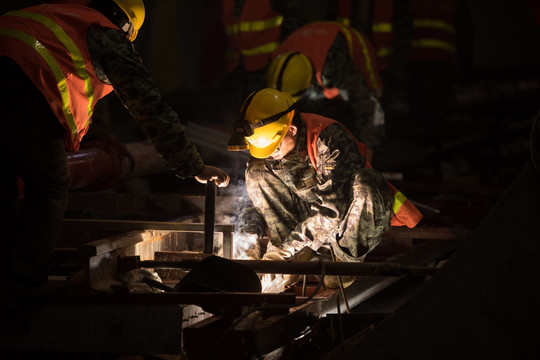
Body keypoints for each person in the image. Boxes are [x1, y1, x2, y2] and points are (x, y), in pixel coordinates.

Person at [0, 0, 230, 292]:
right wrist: (192, 165)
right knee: (50, 183)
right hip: (22, 85)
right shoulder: (105, 34)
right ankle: (25, 281)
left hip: (12, 77)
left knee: (4, 176)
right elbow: (149, 107)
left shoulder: (61, 15)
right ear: (126, 27)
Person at [227, 88, 422, 287]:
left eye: (274, 147)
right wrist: (254, 241)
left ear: (291, 130)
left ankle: (344, 263)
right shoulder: (269, 146)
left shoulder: (328, 138)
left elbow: (332, 212)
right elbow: (257, 202)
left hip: (348, 218)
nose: (271, 154)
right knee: (256, 171)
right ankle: (294, 259)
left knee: (367, 182)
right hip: (310, 221)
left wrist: (285, 249)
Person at [266, 21, 385, 163]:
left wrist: (367, 160)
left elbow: (367, 107)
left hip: (351, 49)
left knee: (369, 105)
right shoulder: (278, 63)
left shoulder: (334, 66)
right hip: (315, 53)